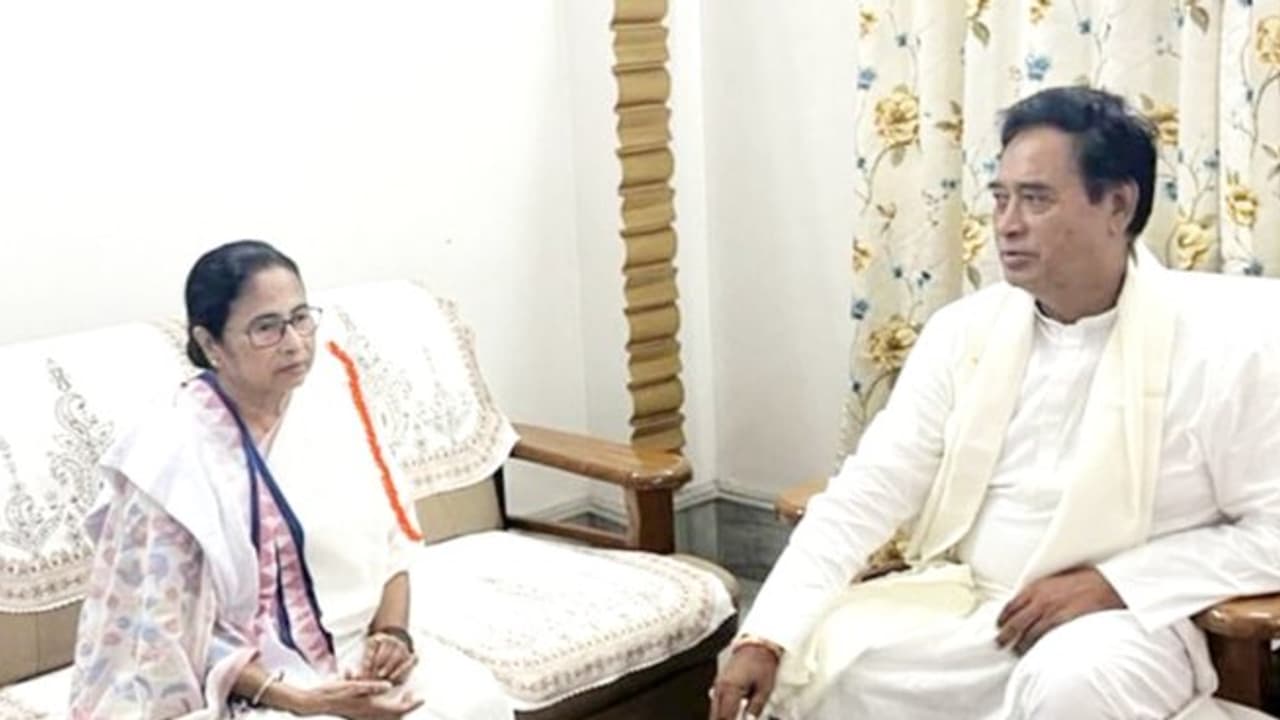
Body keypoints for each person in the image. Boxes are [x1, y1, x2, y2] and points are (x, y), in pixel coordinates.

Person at [711, 86, 1280, 719]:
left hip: (1125, 626)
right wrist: (766, 634)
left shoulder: (1226, 346)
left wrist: (1116, 583)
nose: (1007, 224)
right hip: (979, 611)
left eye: (1035, 199)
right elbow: (869, 491)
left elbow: (1273, 532)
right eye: (1001, 198)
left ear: (1118, 204)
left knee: (1071, 682)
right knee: (817, 667)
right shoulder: (965, 332)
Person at [69, 240, 514, 719]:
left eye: (301, 318)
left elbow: (394, 544)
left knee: (474, 700)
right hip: (248, 684)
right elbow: (162, 634)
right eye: (266, 328)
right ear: (211, 344)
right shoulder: (170, 453)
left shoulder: (336, 400)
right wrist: (304, 701)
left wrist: (392, 635)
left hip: (355, 654)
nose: (295, 342)